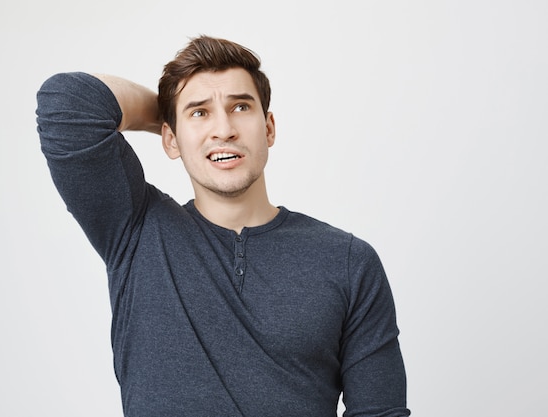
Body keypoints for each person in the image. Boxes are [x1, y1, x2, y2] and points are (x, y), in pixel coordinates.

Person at [36, 35, 410, 417]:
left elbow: (380, 412)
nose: (224, 130)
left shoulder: (347, 261)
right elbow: (68, 103)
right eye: (200, 113)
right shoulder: (136, 230)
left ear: (268, 128)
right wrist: (170, 118)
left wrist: (187, 120)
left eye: (240, 107)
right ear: (169, 139)